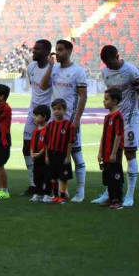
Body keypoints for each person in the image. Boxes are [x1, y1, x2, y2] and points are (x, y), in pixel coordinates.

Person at [94, 45, 139, 207]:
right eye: (105, 63)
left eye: (110, 62)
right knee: (111, 158)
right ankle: (110, 193)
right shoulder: (105, 72)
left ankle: (130, 195)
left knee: (130, 154)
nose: (108, 66)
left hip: (130, 120)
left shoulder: (131, 71)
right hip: (114, 119)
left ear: (117, 57)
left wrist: (137, 112)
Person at [50, 39, 88, 202]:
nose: (57, 52)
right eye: (56, 49)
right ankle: (62, 192)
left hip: (71, 121)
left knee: (76, 156)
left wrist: (77, 119)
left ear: (69, 51)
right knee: (57, 157)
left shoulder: (78, 71)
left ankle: (80, 192)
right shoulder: (54, 69)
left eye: (60, 50)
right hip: (55, 123)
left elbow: (83, 96)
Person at [22, 40, 54, 196]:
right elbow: (34, 88)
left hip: (47, 113)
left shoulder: (53, 69)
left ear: (47, 52)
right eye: (33, 49)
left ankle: (48, 186)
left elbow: (44, 86)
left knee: (47, 151)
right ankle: (34, 184)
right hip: (32, 112)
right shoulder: (30, 67)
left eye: (37, 49)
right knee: (26, 147)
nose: (33, 51)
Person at [98, 88, 125, 210]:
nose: (104, 101)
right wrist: (100, 152)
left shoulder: (118, 116)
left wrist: (114, 152)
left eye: (106, 99)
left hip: (114, 153)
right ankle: (110, 198)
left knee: (115, 176)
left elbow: (119, 135)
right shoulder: (107, 117)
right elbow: (104, 135)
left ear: (114, 101)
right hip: (106, 152)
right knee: (108, 176)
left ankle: (117, 200)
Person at [47, 99, 74, 203]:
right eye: (54, 109)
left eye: (59, 109)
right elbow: (47, 143)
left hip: (62, 154)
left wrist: (68, 156)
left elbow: (70, 142)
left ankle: (62, 196)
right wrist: (47, 156)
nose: (56, 111)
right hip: (52, 153)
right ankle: (55, 195)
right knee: (53, 176)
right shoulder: (50, 125)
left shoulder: (68, 125)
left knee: (63, 177)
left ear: (64, 110)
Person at [28, 104, 52, 203]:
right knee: (37, 176)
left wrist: (40, 154)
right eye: (34, 115)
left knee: (46, 176)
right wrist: (32, 153)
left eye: (37, 115)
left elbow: (47, 144)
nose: (34, 117)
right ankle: (37, 193)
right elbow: (32, 144)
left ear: (44, 117)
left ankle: (47, 194)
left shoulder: (48, 130)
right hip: (36, 158)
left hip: (44, 158)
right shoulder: (35, 130)